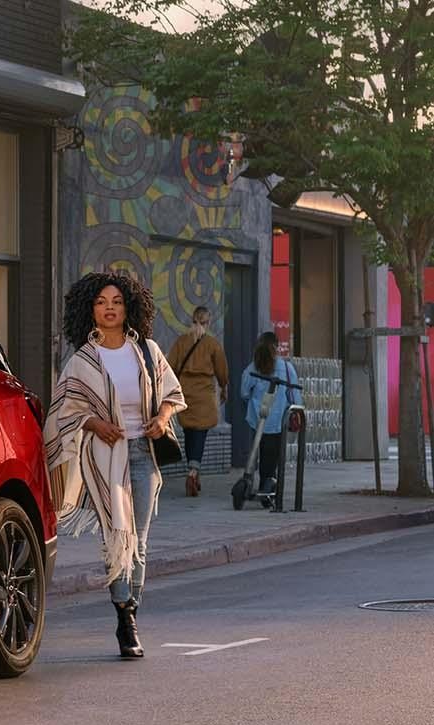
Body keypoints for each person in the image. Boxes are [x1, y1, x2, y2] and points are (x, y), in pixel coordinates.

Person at [45, 271, 186, 659]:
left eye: (117, 302)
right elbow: (66, 411)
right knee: (115, 535)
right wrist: (95, 423)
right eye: (102, 302)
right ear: (90, 309)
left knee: (138, 540)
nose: (109, 308)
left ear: (129, 308)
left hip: (143, 455)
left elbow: (172, 393)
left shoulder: (147, 351)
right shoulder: (82, 360)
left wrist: (162, 418)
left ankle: (133, 607)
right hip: (104, 456)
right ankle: (124, 616)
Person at [167, 306, 228, 497]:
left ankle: (193, 469)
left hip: (185, 393)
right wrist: (224, 386)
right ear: (208, 323)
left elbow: (170, 366)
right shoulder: (213, 344)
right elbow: (222, 370)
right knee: (200, 434)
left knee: (189, 432)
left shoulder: (181, 342)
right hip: (205, 395)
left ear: (192, 321)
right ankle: (193, 471)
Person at [239, 332, 302, 500]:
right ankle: (268, 484)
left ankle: (257, 482)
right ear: (277, 347)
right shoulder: (286, 368)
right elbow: (294, 396)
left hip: (257, 419)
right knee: (271, 456)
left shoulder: (253, 368)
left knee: (256, 452)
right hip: (278, 421)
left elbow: (244, 393)